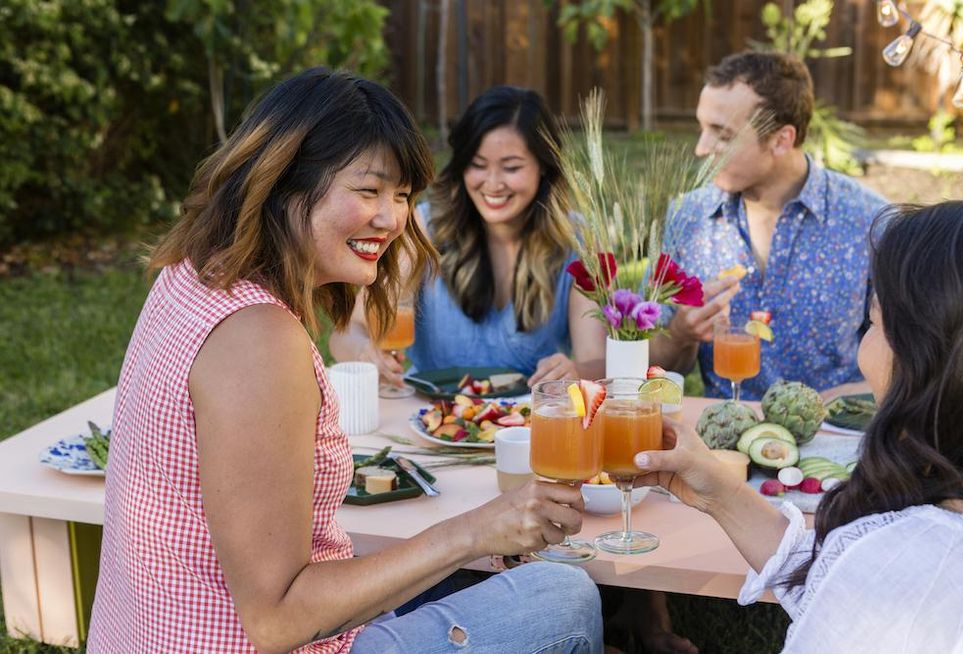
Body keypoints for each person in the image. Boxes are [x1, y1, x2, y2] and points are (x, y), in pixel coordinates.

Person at [86, 68, 603, 654]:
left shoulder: (191, 277)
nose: (393, 218)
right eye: (368, 191)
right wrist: (476, 529)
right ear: (285, 183)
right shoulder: (257, 338)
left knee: (482, 575)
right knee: (565, 596)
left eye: (403, 195)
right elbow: (277, 620)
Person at [636, 201, 963, 652]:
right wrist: (718, 493)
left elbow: (866, 586)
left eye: (872, 323)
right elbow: (833, 581)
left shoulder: (906, 566)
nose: (863, 349)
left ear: (927, 361)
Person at [330, 85, 606, 387]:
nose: (493, 184)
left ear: (544, 167)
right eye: (477, 165)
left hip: (526, 426)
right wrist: (364, 354)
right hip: (429, 419)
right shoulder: (424, 228)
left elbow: (596, 360)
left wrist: (576, 372)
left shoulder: (579, 239)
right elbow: (348, 332)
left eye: (511, 168)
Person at [651, 51, 886, 400]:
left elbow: (912, 366)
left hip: (832, 441)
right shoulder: (688, 217)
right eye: (702, 128)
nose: (701, 148)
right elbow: (647, 367)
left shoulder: (870, 222)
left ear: (781, 140)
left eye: (722, 134)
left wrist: (844, 398)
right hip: (719, 440)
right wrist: (680, 332)